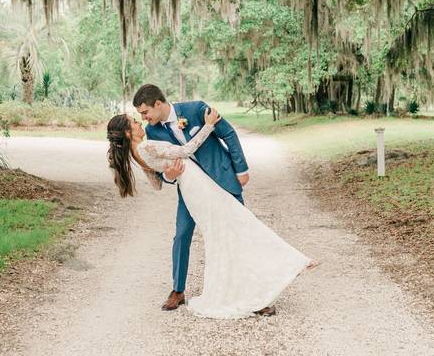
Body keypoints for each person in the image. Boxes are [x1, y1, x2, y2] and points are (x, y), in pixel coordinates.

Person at [105, 86, 314, 319]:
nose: (143, 119)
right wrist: (170, 176)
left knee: (238, 232)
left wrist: (241, 169)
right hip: (192, 188)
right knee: (182, 234)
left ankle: (256, 292)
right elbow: (164, 169)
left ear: (158, 103)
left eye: (144, 112)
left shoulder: (196, 109)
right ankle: (178, 289)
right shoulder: (152, 133)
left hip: (222, 177)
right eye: (138, 117)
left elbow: (229, 134)